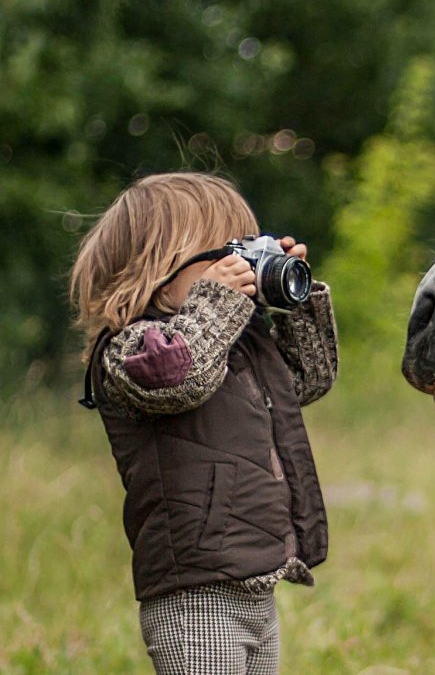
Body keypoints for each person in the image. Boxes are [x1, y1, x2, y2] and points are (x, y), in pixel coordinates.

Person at [68, 171, 338, 675]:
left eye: (243, 251)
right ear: (158, 264)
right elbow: (179, 378)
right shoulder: (132, 348)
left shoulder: (235, 344)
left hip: (255, 578)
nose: (236, 266)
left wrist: (291, 305)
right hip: (193, 594)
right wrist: (217, 305)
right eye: (223, 253)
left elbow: (307, 381)